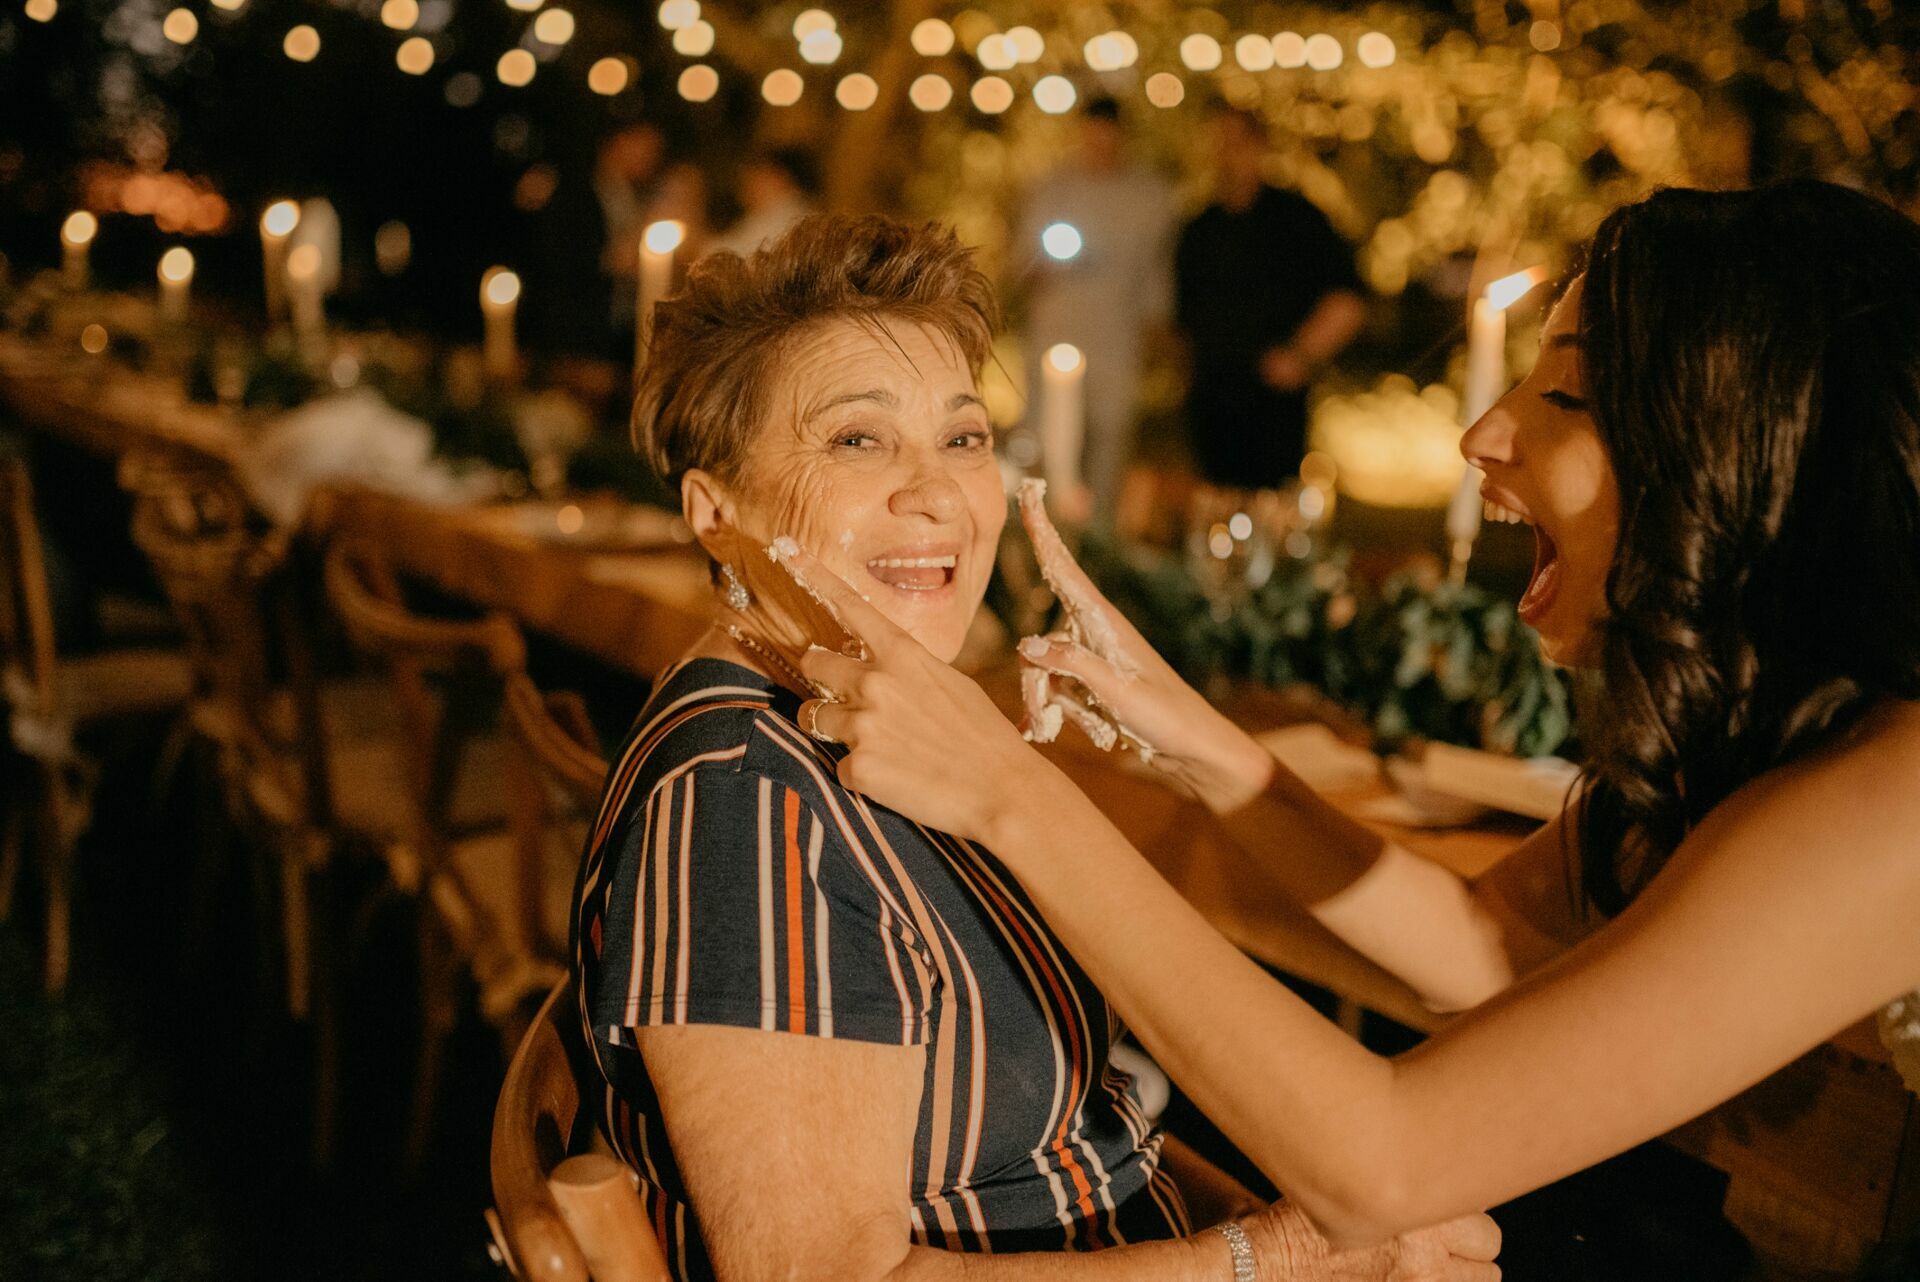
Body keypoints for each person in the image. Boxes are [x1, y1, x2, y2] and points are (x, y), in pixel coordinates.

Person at [781, 182, 1920, 1250]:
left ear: (1736, 453)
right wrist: (1194, 739)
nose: (1483, 434)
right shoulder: (1803, 738)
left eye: (1568, 396)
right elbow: (1480, 944)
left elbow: (1385, 1162)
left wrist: (1015, 796)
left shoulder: (1895, 795)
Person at [572, 213, 1501, 1281]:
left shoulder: (882, 724)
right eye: (858, 439)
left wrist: (1291, 1229)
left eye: (964, 438)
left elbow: (1086, 1141)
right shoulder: (753, 806)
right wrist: (1276, 1257)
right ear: (715, 511)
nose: (936, 493)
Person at [1175, 108, 1366, 490]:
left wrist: (1302, 354)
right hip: (1212, 398)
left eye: (1236, 142)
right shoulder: (1199, 229)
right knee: (1215, 500)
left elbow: (1348, 298)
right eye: (1218, 144)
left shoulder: (1298, 220)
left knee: (1272, 503)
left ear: (1259, 147)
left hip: (1273, 403)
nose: (1227, 154)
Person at [1014, 96, 1178, 528]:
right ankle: (1039, 528)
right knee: (1047, 431)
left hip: (1116, 335)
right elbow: (1024, 266)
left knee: (1110, 433)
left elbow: (1156, 272)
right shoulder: (1053, 189)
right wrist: (1044, 265)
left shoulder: (1148, 195)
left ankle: (1098, 534)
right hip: (1056, 328)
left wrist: (1159, 333)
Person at [709, 146, 819, 258]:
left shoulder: (788, 217)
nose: (746, 188)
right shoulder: (762, 218)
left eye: (757, 176)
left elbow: (729, 256)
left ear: (781, 179)